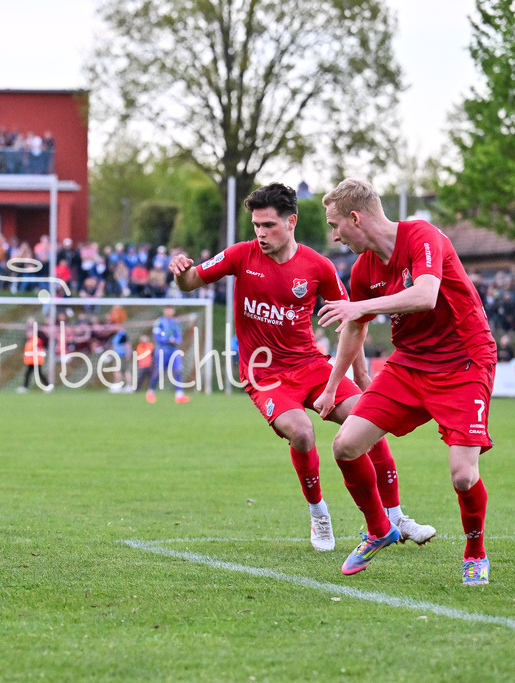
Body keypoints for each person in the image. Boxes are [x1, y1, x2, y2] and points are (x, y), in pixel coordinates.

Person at [170, 182, 434, 552]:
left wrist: (360, 373)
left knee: (367, 418)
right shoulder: (240, 255)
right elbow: (191, 281)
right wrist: (181, 271)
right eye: (256, 225)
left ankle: (395, 516)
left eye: (269, 225)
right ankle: (319, 513)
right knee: (302, 432)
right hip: (264, 374)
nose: (261, 233)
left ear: (291, 222)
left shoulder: (318, 266)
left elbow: (352, 321)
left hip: (311, 365)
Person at [315, 178, 495, 584]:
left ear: (355, 218)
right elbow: (355, 327)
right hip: (409, 364)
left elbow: (426, 295)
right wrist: (332, 386)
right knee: (345, 445)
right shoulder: (363, 268)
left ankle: (475, 552)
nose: (334, 236)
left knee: (463, 475)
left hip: (464, 361)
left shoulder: (421, 236)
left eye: (335, 225)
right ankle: (379, 529)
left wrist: (359, 306)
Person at [145, 306, 190, 404]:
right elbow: (156, 336)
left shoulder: (175, 322)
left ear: (173, 311)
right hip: (162, 349)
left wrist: (176, 341)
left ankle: (179, 395)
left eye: (171, 310)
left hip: (173, 349)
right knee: (159, 371)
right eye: (168, 310)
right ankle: (150, 392)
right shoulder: (159, 322)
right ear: (164, 311)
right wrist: (167, 340)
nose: (169, 312)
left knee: (178, 370)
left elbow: (179, 336)